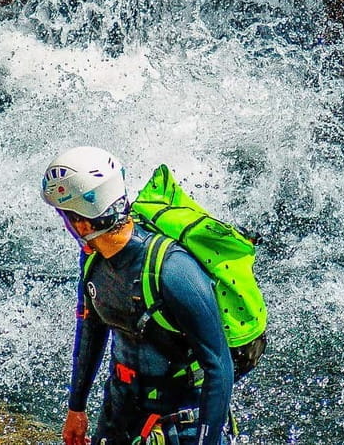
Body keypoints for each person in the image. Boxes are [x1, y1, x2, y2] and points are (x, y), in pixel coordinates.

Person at [41, 146, 234, 445]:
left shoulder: (173, 270)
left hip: (181, 424)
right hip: (121, 411)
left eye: (65, 216)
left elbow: (219, 367)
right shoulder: (94, 258)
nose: (67, 226)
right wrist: (76, 407)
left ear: (83, 221)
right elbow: (91, 329)